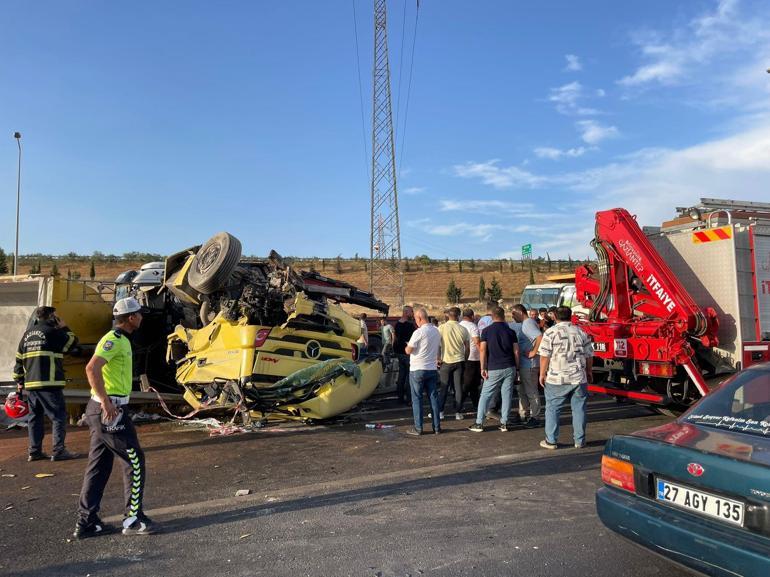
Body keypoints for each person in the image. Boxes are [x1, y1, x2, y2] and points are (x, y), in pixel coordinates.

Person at [74, 297, 156, 539]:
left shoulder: (123, 340)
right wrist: (107, 402)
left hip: (104, 409)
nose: (141, 317)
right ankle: (133, 519)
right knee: (134, 459)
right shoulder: (113, 340)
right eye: (139, 314)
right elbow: (92, 368)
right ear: (131, 318)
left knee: (99, 465)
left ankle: (87, 522)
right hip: (109, 410)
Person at [13, 306, 80, 462]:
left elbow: (18, 361)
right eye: (56, 316)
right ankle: (59, 451)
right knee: (58, 416)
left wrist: (20, 381)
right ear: (51, 317)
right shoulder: (53, 332)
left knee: (34, 418)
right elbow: (72, 342)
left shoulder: (27, 335)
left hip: (31, 385)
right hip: (49, 384)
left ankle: (34, 451)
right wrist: (65, 327)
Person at [538, 306, 593, 450]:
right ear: (571, 316)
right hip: (579, 377)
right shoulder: (581, 332)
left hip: (557, 377)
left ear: (555, 316)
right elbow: (589, 355)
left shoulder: (550, 333)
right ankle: (579, 441)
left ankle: (551, 440)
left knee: (553, 409)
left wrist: (542, 374)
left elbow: (545, 356)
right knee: (579, 409)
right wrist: (589, 371)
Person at [469, 306, 519, 432]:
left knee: (485, 395)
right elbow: (516, 351)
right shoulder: (511, 331)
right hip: (509, 366)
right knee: (507, 395)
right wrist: (517, 368)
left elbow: (482, 350)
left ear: (492, 316)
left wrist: (483, 367)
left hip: (493, 367)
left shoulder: (486, 331)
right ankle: (504, 422)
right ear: (504, 316)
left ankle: (479, 423)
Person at [405, 308, 441, 436]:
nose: (415, 321)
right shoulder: (436, 331)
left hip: (417, 369)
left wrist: (407, 345)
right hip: (431, 368)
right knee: (433, 398)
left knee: (417, 399)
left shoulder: (418, 332)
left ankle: (418, 428)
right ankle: (436, 427)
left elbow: (408, 351)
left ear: (419, 318)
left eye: (415, 319)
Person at [510, 304, 542, 428]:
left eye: (513, 313)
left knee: (531, 391)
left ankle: (535, 416)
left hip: (529, 364)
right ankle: (523, 414)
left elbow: (539, 337)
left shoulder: (528, 323)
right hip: (525, 364)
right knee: (522, 391)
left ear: (520, 312)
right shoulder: (526, 323)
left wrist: (534, 352)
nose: (512, 317)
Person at [437, 307, 470, 420]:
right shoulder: (463, 329)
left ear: (448, 315)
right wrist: (464, 359)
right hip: (459, 361)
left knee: (443, 388)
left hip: (446, 361)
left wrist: (438, 358)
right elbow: (467, 347)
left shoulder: (441, 328)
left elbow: (438, 344)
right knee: (458, 388)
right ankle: (458, 412)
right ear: (459, 316)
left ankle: (441, 412)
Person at [459, 308, 481, 412]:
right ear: (472, 316)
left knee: (468, 383)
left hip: (461, 357)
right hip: (473, 357)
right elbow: (477, 341)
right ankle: (460, 404)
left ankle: (475, 403)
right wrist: (483, 354)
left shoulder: (459, 325)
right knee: (471, 383)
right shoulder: (473, 326)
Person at [393, 306, 416, 404]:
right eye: (411, 312)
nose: (413, 313)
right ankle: (410, 399)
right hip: (407, 353)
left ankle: (400, 397)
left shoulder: (397, 324)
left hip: (398, 352)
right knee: (409, 377)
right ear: (406, 312)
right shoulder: (410, 325)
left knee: (401, 375)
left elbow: (395, 338)